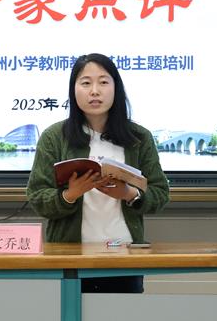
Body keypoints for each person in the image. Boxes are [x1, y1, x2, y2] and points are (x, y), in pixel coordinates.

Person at [26, 54, 170, 291]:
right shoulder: (54, 137)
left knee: (123, 315)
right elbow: (37, 196)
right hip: (70, 256)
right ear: (73, 90)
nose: (95, 91)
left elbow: (160, 193)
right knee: (69, 314)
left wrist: (129, 194)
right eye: (86, 83)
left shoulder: (138, 138)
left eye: (103, 82)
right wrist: (70, 195)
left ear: (116, 88)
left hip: (125, 255)